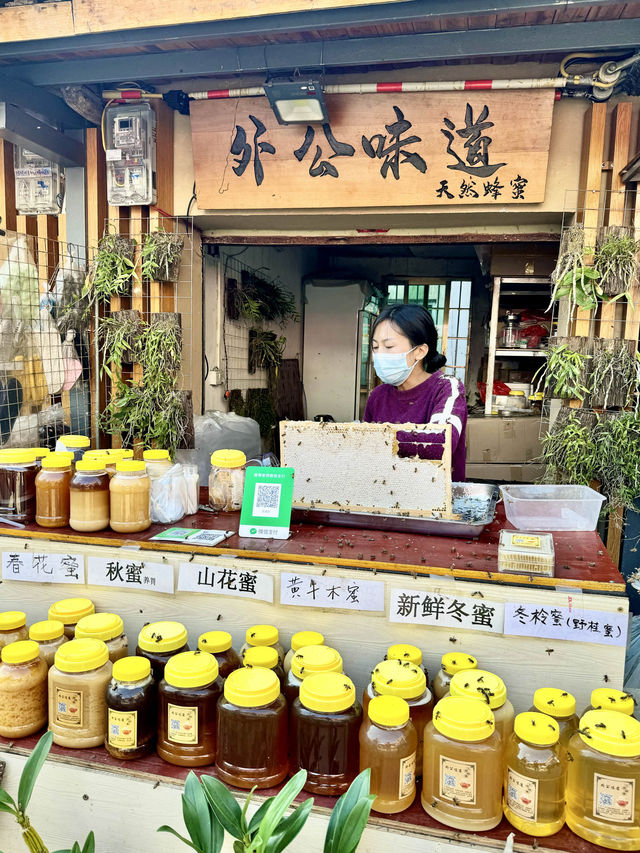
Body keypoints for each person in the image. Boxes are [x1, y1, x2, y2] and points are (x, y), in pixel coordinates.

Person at [364, 304, 468, 482]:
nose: (380, 354)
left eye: (388, 347)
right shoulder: (378, 395)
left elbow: (440, 444)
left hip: (435, 500)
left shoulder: (447, 388)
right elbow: (363, 451)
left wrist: (379, 438)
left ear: (420, 351)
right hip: (385, 494)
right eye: (375, 347)